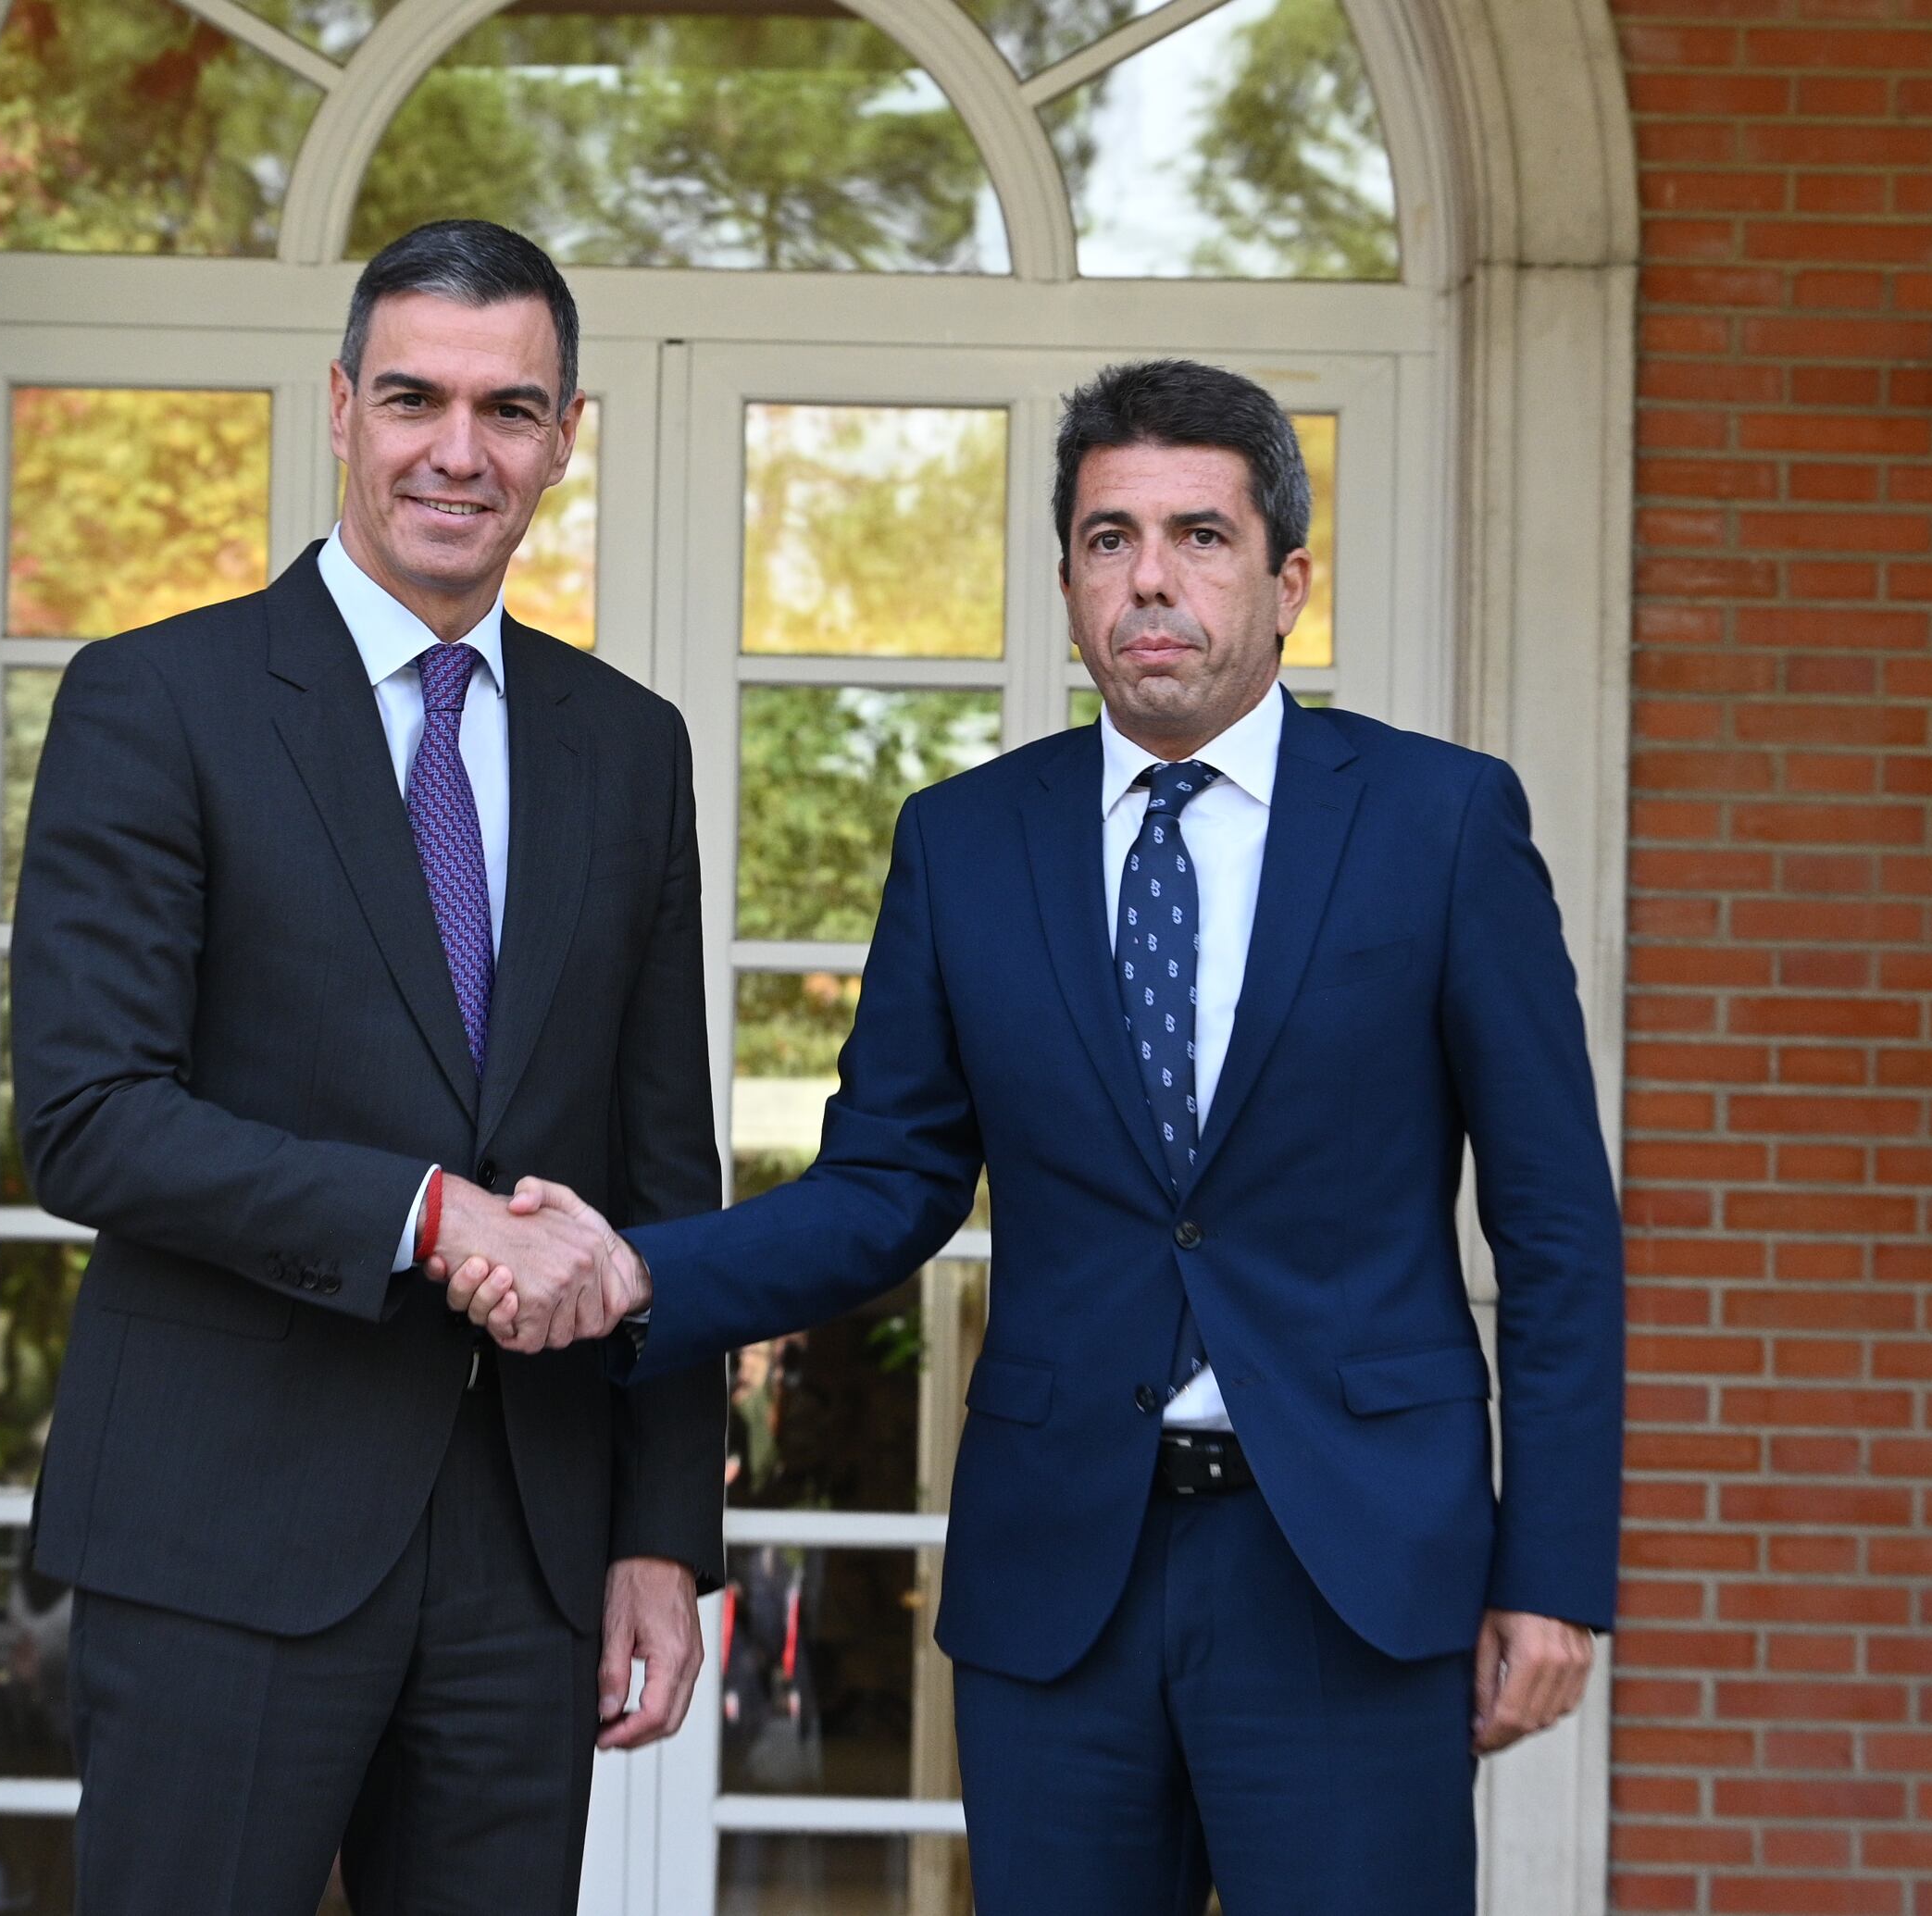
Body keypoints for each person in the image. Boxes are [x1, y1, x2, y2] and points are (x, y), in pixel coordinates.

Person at [451, 359, 1626, 1914]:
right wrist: (634, 1274)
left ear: (1288, 582)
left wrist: (1548, 1571)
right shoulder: (966, 840)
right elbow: (888, 1187)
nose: (1151, 576)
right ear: (1068, 579)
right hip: (1062, 1578)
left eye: (1200, 536)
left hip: (1354, 1571)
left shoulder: (1443, 823)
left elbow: (1556, 1227)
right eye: (1107, 537)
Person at [10, 218, 719, 1916]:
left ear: (566, 437)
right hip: (223, 1519)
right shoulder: (156, 700)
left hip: (527, 1542)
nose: (458, 450)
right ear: (340, 406)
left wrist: (660, 1529)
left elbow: (662, 1169)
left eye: (509, 409)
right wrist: (425, 1212)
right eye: (414, 397)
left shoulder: (627, 746)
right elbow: (91, 1118)